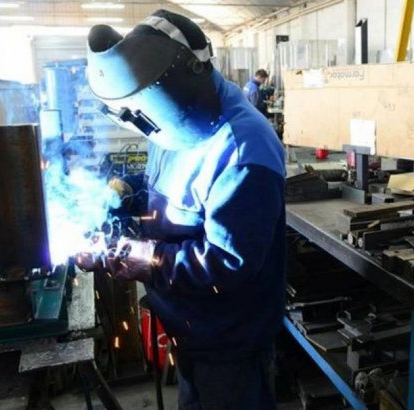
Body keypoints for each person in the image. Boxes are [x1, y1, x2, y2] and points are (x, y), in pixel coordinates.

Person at [85, 10, 285, 409]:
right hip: (188, 328)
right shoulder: (167, 119)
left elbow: (227, 263)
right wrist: (125, 192)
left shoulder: (244, 150)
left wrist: (147, 258)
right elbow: (163, 183)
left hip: (228, 343)